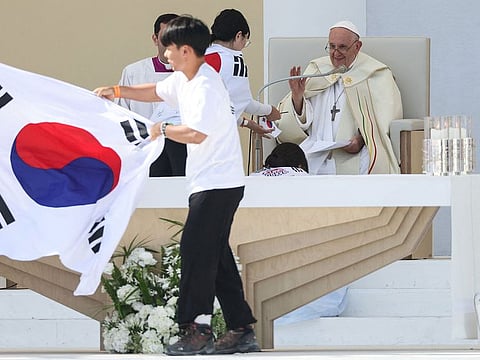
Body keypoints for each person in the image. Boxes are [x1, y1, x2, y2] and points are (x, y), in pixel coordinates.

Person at [94, 16, 259, 356]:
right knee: (216, 254)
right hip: (207, 182)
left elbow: (196, 133)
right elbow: (155, 90)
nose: (164, 54)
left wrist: (161, 131)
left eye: (168, 48)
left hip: (219, 184)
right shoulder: (184, 78)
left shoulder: (204, 86)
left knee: (195, 251)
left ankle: (195, 328)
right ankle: (241, 328)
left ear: (185, 50)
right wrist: (118, 91)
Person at [276, 20, 402, 175]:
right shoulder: (317, 70)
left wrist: (361, 140)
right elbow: (301, 122)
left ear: (357, 46)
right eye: (332, 46)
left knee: (370, 166)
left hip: (356, 154)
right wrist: (297, 98)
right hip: (315, 153)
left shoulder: (376, 74)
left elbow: (383, 121)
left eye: (342, 47)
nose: (335, 53)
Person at [117, 13, 187, 177]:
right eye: (165, 38)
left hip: (182, 151)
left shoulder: (193, 74)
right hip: (145, 152)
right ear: (155, 39)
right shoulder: (135, 72)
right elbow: (122, 113)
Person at [205, 8, 281, 136]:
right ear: (239, 35)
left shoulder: (199, 54)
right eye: (245, 41)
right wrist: (269, 110)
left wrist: (246, 123)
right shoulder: (233, 61)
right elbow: (245, 102)